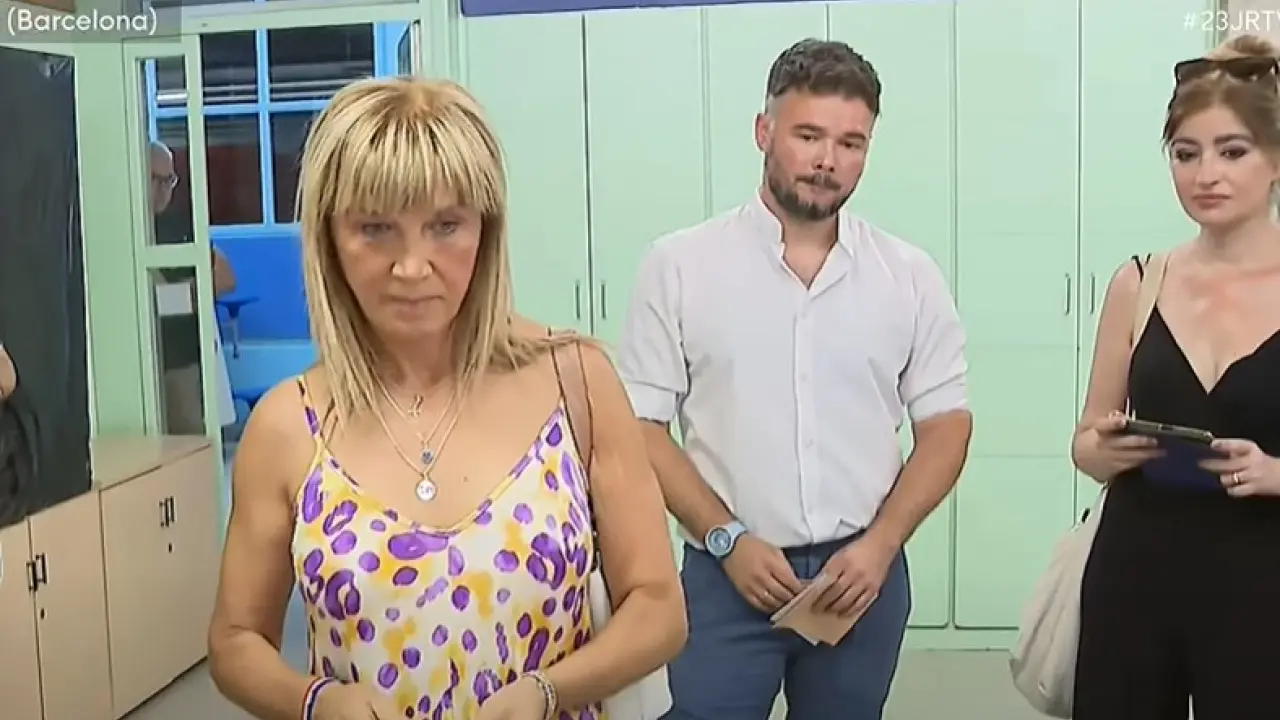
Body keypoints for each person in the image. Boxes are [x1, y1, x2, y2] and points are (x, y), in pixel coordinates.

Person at [206, 76, 686, 720]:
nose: (412, 266)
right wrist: (316, 702)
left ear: (486, 230)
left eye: (445, 225)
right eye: (375, 228)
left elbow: (657, 606)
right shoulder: (289, 425)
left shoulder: (578, 383)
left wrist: (548, 691)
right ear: (329, 239)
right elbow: (236, 640)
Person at [618, 38, 972, 719]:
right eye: (808, 135)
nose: (827, 160)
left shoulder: (908, 276)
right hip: (723, 576)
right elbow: (640, 426)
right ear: (764, 131)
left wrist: (881, 546)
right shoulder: (680, 267)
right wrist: (724, 538)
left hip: (859, 580)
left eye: (850, 142)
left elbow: (947, 424)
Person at [1071, 34, 1280, 720]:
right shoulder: (1139, 281)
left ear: (1276, 159)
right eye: (1185, 154)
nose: (1205, 174)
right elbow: (1085, 443)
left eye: (1232, 151)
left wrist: (1276, 473)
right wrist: (1105, 448)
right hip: (1136, 571)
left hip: (1263, 578)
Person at [149, 141, 237, 433]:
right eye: (155, 179)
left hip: (181, 357)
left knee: (189, 437)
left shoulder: (180, 226)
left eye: (169, 180)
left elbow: (225, 278)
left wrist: (171, 298)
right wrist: (184, 295)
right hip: (139, 358)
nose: (163, 189)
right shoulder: (126, 228)